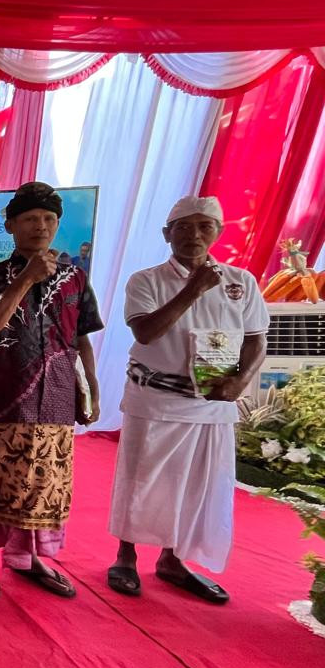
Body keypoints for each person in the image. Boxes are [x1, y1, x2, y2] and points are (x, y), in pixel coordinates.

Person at [106, 196, 268, 604]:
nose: (193, 235)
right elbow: (146, 333)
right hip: (156, 397)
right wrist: (193, 290)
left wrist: (240, 381)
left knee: (198, 484)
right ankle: (125, 556)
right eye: (183, 227)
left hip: (212, 401)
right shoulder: (147, 280)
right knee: (142, 478)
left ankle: (173, 559)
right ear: (167, 234)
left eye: (204, 226)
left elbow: (256, 339)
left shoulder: (241, 282)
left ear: (218, 232)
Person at [0, 183, 103, 599]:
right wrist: (25, 279)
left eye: (48, 219)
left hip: (57, 396)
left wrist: (91, 388)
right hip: (3, 397)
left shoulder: (76, 278)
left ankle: (31, 557)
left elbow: (81, 337)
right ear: (10, 226)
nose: (40, 226)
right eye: (29, 219)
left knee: (46, 483)